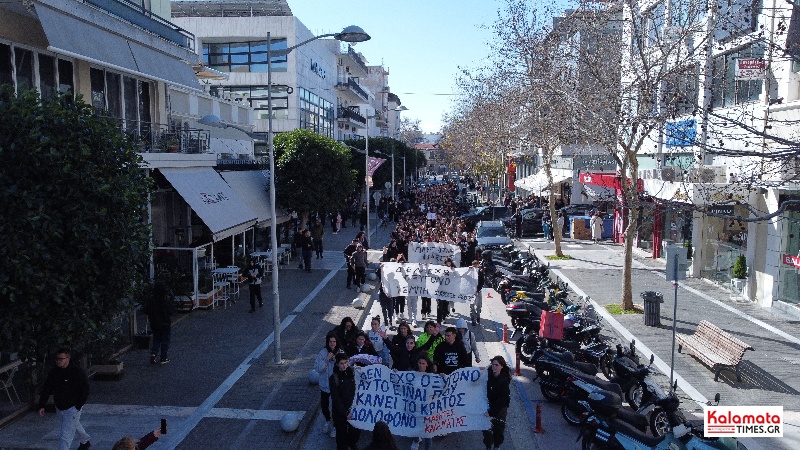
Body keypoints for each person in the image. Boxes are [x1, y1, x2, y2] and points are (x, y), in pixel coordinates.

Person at [37, 349, 91, 450]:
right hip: (60, 407)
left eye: (61, 359)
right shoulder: (54, 372)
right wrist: (41, 405)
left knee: (65, 435)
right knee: (73, 425)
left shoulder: (77, 372)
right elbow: (46, 388)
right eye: (57, 359)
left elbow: (85, 390)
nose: (58, 361)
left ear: (68, 359)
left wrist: (78, 406)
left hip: (73, 408)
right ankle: (85, 440)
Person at [315, 333, 345, 438]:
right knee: (324, 405)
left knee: (336, 407)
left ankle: (335, 426)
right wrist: (327, 360)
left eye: (334, 342)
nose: (332, 344)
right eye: (330, 342)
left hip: (336, 386)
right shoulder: (322, 353)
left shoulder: (340, 353)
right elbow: (318, 369)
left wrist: (337, 361)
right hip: (325, 385)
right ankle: (327, 420)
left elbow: (345, 367)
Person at [330, 353, 360, 450]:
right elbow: (335, 399)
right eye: (342, 363)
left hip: (353, 409)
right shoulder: (334, 378)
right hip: (340, 413)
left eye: (346, 362)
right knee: (341, 436)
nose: (344, 366)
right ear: (337, 364)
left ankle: (352, 444)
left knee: (355, 432)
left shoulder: (352, 372)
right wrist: (345, 413)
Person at [483, 356, 512, 450]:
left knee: (498, 429)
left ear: (501, 366)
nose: (494, 367)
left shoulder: (503, 381)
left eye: (496, 365)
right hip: (489, 404)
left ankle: (496, 446)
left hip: (500, 409)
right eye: (493, 364)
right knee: (486, 429)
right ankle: (488, 446)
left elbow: (502, 400)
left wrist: (491, 412)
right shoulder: (488, 374)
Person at [145, 281, 174, 364]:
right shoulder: (165, 301)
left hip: (154, 324)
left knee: (156, 339)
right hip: (165, 324)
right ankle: (163, 358)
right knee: (165, 340)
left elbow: (147, 310)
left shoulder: (151, 300)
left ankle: (154, 353)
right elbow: (170, 312)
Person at [411, 354, 434, 450]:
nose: (421, 365)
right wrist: (395, 374)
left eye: (423, 363)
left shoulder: (433, 377)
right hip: (415, 407)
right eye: (419, 363)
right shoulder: (411, 375)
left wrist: (444, 377)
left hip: (427, 408)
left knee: (428, 431)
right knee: (415, 426)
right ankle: (416, 440)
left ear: (427, 364)